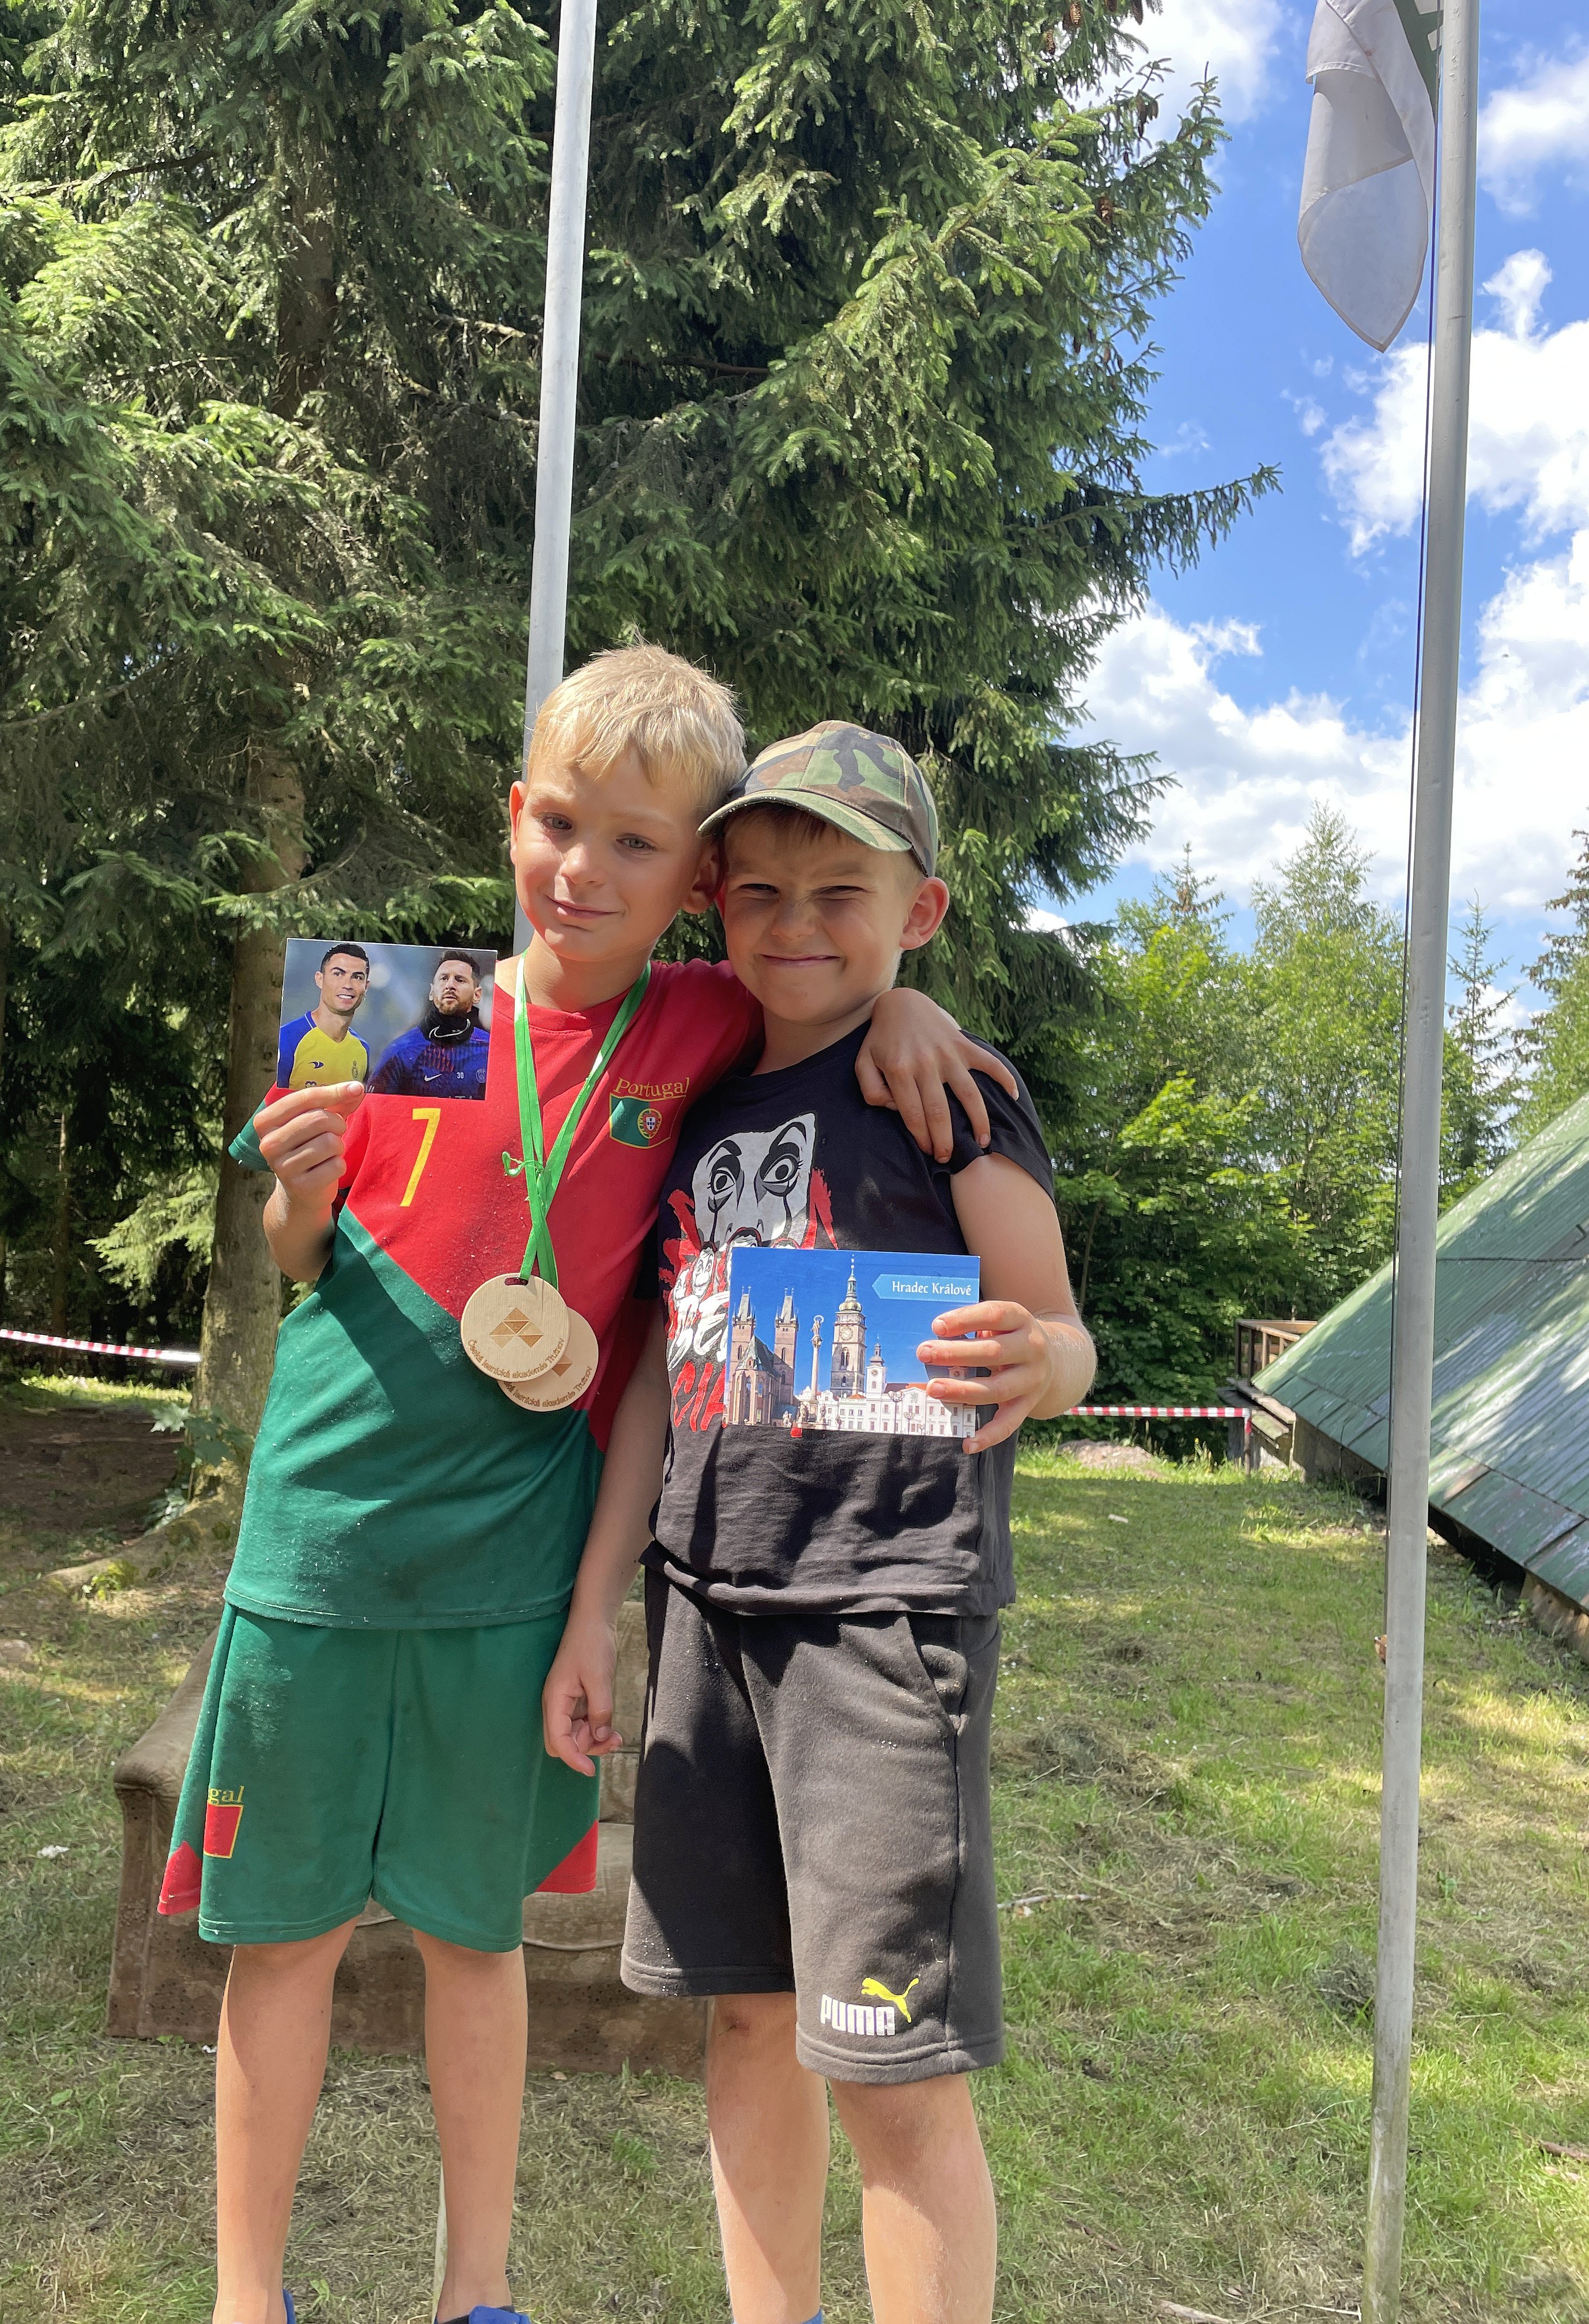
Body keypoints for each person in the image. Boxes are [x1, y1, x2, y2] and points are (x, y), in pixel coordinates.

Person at [158, 651, 1020, 2324]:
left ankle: (477, 2294)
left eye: (637, 843)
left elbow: (832, 991)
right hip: (320, 1552)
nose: (584, 869)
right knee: (287, 1939)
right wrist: (294, 1199)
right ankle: (245, 2301)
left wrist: (915, 1009)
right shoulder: (401, 1015)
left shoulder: (699, 1022)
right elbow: (304, 1258)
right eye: (560, 824)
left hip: (514, 1569)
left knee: (475, 1936)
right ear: (514, 819)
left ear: (693, 879)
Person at [543, 723, 1099, 2324]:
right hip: (703, 1620)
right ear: (715, 900)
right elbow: (658, 1381)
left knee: (887, 2066)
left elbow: (1063, 1328)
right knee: (742, 2023)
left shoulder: (949, 1094)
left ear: (918, 913)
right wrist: (597, 1609)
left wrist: (1044, 1361)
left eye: (839, 892)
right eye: (761, 890)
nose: (795, 924)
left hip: (881, 1625)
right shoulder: (698, 1106)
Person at [368, 949, 492, 1098]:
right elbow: (374, 1109)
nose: (450, 985)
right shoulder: (400, 1052)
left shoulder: (492, 1050)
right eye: (444, 978)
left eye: (460, 980)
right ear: (432, 992)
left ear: (477, 995)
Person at [277, 944, 372, 1087]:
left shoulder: (362, 1049)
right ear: (319, 980)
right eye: (338, 974)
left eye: (357, 977)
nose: (348, 985)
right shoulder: (287, 1039)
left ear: (366, 987)